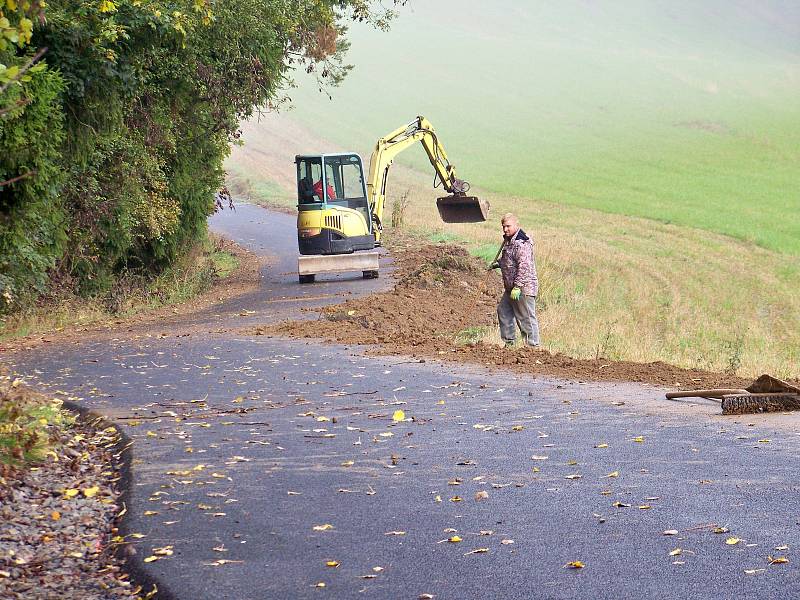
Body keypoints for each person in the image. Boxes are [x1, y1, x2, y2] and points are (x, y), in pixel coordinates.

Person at [491, 213, 540, 347]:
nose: (505, 229)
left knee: (526, 317)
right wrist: (499, 263)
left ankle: (532, 346)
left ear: (516, 225)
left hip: (523, 288)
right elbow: (511, 260)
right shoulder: (509, 240)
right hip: (510, 288)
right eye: (503, 226)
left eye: (508, 226)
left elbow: (524, 266)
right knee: (503, 311)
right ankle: (509, 343)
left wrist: (518, 286)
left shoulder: (521, 243)